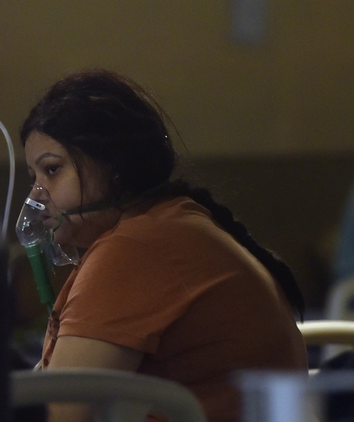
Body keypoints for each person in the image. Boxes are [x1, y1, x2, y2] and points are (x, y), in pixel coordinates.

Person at [21, 69, 307, 422]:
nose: (36, 196)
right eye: (33, 176)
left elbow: (59, 414)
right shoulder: (172, 223)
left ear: (114, 168)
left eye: (51, 170)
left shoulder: (135, 250)